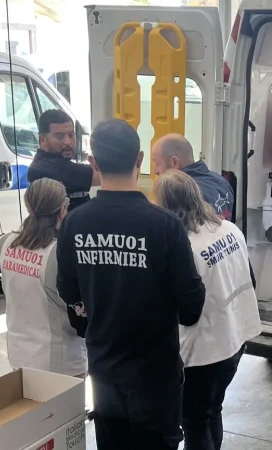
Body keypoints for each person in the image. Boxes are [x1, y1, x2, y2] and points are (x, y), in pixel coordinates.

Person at [56, 119, 206, 450]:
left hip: (105, 373)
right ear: (139, 160)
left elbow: (68, 291)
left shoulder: (74, 223)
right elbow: (192, 305)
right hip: (156, 376)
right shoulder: (165, 226)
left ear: (93, 163)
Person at [153, 170, 261, 450]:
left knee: (195, 422)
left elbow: (184, 310)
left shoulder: (184, 247)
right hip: (236, 339)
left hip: (204, 352)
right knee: (212, 411)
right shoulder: (228, 229)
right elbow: (251, 281)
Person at [0, 178, 86, 377]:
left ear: (28, 206)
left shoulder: (3, 243)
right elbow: (82, 316)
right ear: (63, 209)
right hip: (61, 363)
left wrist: (8, 290)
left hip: (19, 357)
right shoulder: (61, 254)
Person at [28, 109, 100, 210]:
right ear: (43, 140)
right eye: (59, 137)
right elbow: (107, 176)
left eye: (71, 135)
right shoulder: (46, 168)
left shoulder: (53, 163)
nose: (68, 142)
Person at [151, 134, 235, 219]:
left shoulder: (181, 193)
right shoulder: (222, 182)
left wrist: (157, 212)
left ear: (174, 162)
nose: (155, 171)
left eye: (156, 163)